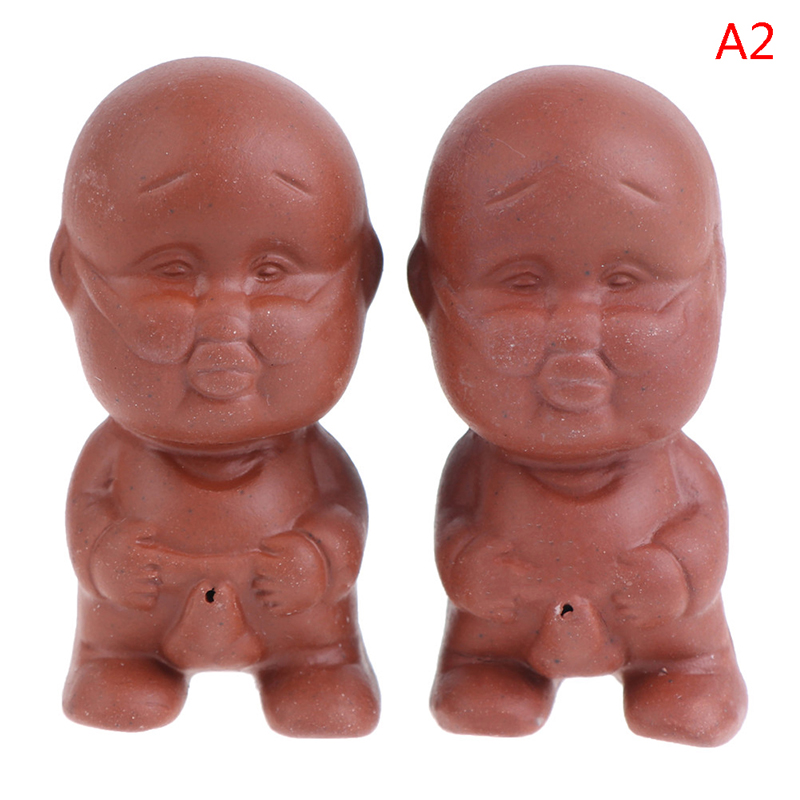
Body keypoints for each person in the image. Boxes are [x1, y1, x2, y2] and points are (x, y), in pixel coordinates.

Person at [409, 66, 746, 745]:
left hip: (662, 626)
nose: (574, 329)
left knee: (687, 645)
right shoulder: (479, 466)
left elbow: (704, 526)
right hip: (510, 625)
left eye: (625, 282)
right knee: (484, 654)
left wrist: (678, 573)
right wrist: (470, 568)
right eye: (521, 283)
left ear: (716, 283)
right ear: (429, 293)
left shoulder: (677, 468)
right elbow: (455, 526)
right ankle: (486, 669)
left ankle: (694, 672)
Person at [52, 57, 381, 735]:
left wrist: (319, 559)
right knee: (117, 662)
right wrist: (103, 559)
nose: (225, 316)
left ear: (362, 281)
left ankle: (318, 665)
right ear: (70, 278)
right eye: (173, 271)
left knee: (320, 666)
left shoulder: (310, 458)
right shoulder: (116, 453)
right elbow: (87, 513)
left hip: (291, 620)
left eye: (272, 272)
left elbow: (341, 513)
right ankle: (115, 661)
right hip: (138, 619)